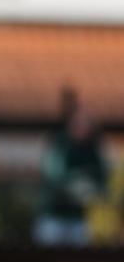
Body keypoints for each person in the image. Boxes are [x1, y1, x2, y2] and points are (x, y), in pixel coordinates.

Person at [34, 90, 108, 246]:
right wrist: (76, 183)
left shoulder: (92, 149)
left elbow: (101, 178)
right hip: (53, 217)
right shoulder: (59, 144)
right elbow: (54, 176)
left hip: (77, 219)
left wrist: (90, 188)